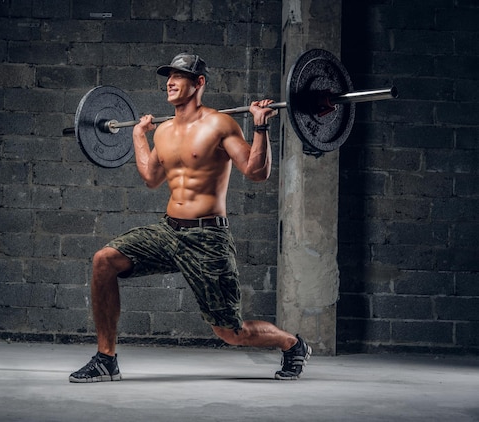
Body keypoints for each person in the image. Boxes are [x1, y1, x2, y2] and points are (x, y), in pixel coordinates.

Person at [69, 53, 311, 383]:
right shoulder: (164, 131)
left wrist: (260, 124)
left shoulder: (220, 124)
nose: (170, 81)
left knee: (231, 333)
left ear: (199, 83)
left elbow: (256, 172)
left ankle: (292, 344)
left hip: (207, 238)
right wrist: (138, 137)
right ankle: (106, 359)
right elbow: (151, 178)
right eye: (168, 76)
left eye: (179, 76)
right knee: (104, 260)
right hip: (169, 231)